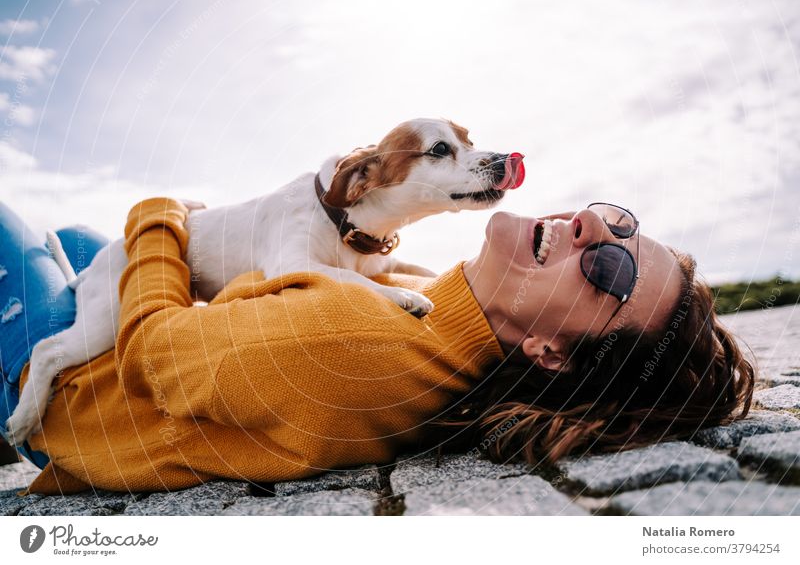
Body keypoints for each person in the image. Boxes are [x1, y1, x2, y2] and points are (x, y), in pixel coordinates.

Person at [0, 198, 754, 494]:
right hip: (111, 332)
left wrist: (162, 215)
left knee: (22, 229)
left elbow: (154, 353)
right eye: (617, 224)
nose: (592, 230)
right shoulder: (441, 303)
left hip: (66, 392)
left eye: (609, 270)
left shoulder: (355, 347)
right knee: (75, 241)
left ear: (551, 353)